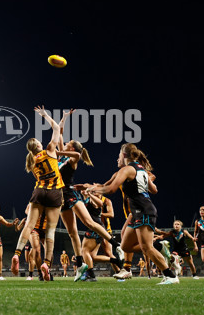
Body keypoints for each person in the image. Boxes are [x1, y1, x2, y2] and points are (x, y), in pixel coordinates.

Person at [78, 143, 179, 285]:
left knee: (146, 248)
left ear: (124, 155)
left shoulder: (127, 170)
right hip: (138, 212)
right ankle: (157, 246)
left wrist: (92, 191)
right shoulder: (140, 169)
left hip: (143, 210)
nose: (117, 157)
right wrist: (93, 188)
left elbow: (111, 189)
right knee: (125, 246)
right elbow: (154, 190)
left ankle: (170, 275)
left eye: (119, 154)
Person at [56, 109, 124, 281]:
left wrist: (57, 153)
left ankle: (117, 245)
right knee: (72, 232)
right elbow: (59, 133)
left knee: (88, 222)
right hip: (60, 197)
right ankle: (81, 266)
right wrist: (64, 117)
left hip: (70, 193)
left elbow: (77, 154)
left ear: (71, 148)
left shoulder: (72, 158)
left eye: (67, 145)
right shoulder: (64, 157)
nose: (64, 145)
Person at [10, 106, 65, 281]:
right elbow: (57, 129)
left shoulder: (32, 162)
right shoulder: (49, 149)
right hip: (54, 191)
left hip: (39, 191)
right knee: (51, 231)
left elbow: (38, 177)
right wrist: (45, 116)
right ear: (39, 145)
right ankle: (46, 264)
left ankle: (17, 254)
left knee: (29, 225)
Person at [79, 191, 123, 282]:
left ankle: (91, 275)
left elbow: (104, 207)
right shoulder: (87, 199)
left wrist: (100, 213)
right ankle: (116, 261)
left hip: (99, 229)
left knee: (85, 251)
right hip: (98, 229)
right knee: (92, 257)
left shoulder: (99, 200)